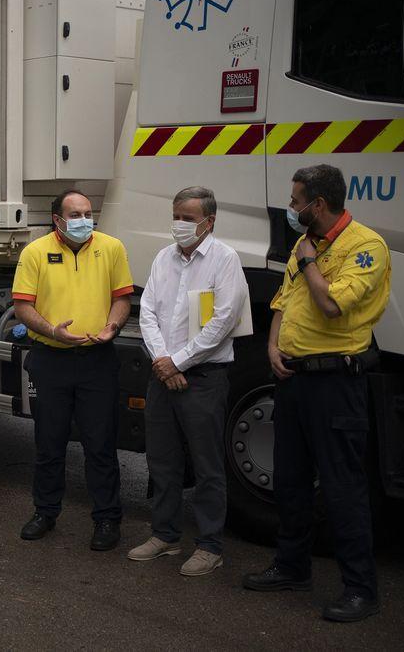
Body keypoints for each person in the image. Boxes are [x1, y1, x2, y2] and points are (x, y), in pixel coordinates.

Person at [242, 164, 390, 623]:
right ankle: (292, 567)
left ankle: (360, 590)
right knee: (290, 481)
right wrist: (271, 346)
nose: (291, 208)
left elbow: (329, 305)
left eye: (295, 200)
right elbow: (284, 302)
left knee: (343, 489)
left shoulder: (364, 246)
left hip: (335, 384)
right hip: (294, 382)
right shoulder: (308, 245)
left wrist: (308, 260)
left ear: (318, 205)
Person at [131, 186, 248, 576]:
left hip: (204, 378)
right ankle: (165, 535)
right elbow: (147, 310)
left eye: (188, 218)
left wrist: (177, 361)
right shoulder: (164, 258)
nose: (179, 224)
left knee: (207, 465)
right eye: (176, 215)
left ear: (208, 222)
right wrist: (163, 361)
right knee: (162, 460)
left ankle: (210, 545)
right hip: (163, 374)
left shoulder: (224, 259)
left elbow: (223, 320)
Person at [11, 189, 133, 549]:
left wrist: (113, 326)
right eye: (75, 214)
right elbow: (22, 306)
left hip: (97, 359)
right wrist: (52, 331)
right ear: (58, 220)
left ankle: (107, 519)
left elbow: (121, 298)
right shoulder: (35, 252)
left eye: (87, 212)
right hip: (51, 360)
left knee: (100, 444)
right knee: (49, 442)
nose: (83, 219)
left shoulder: (112, 248)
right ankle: (45, 512)